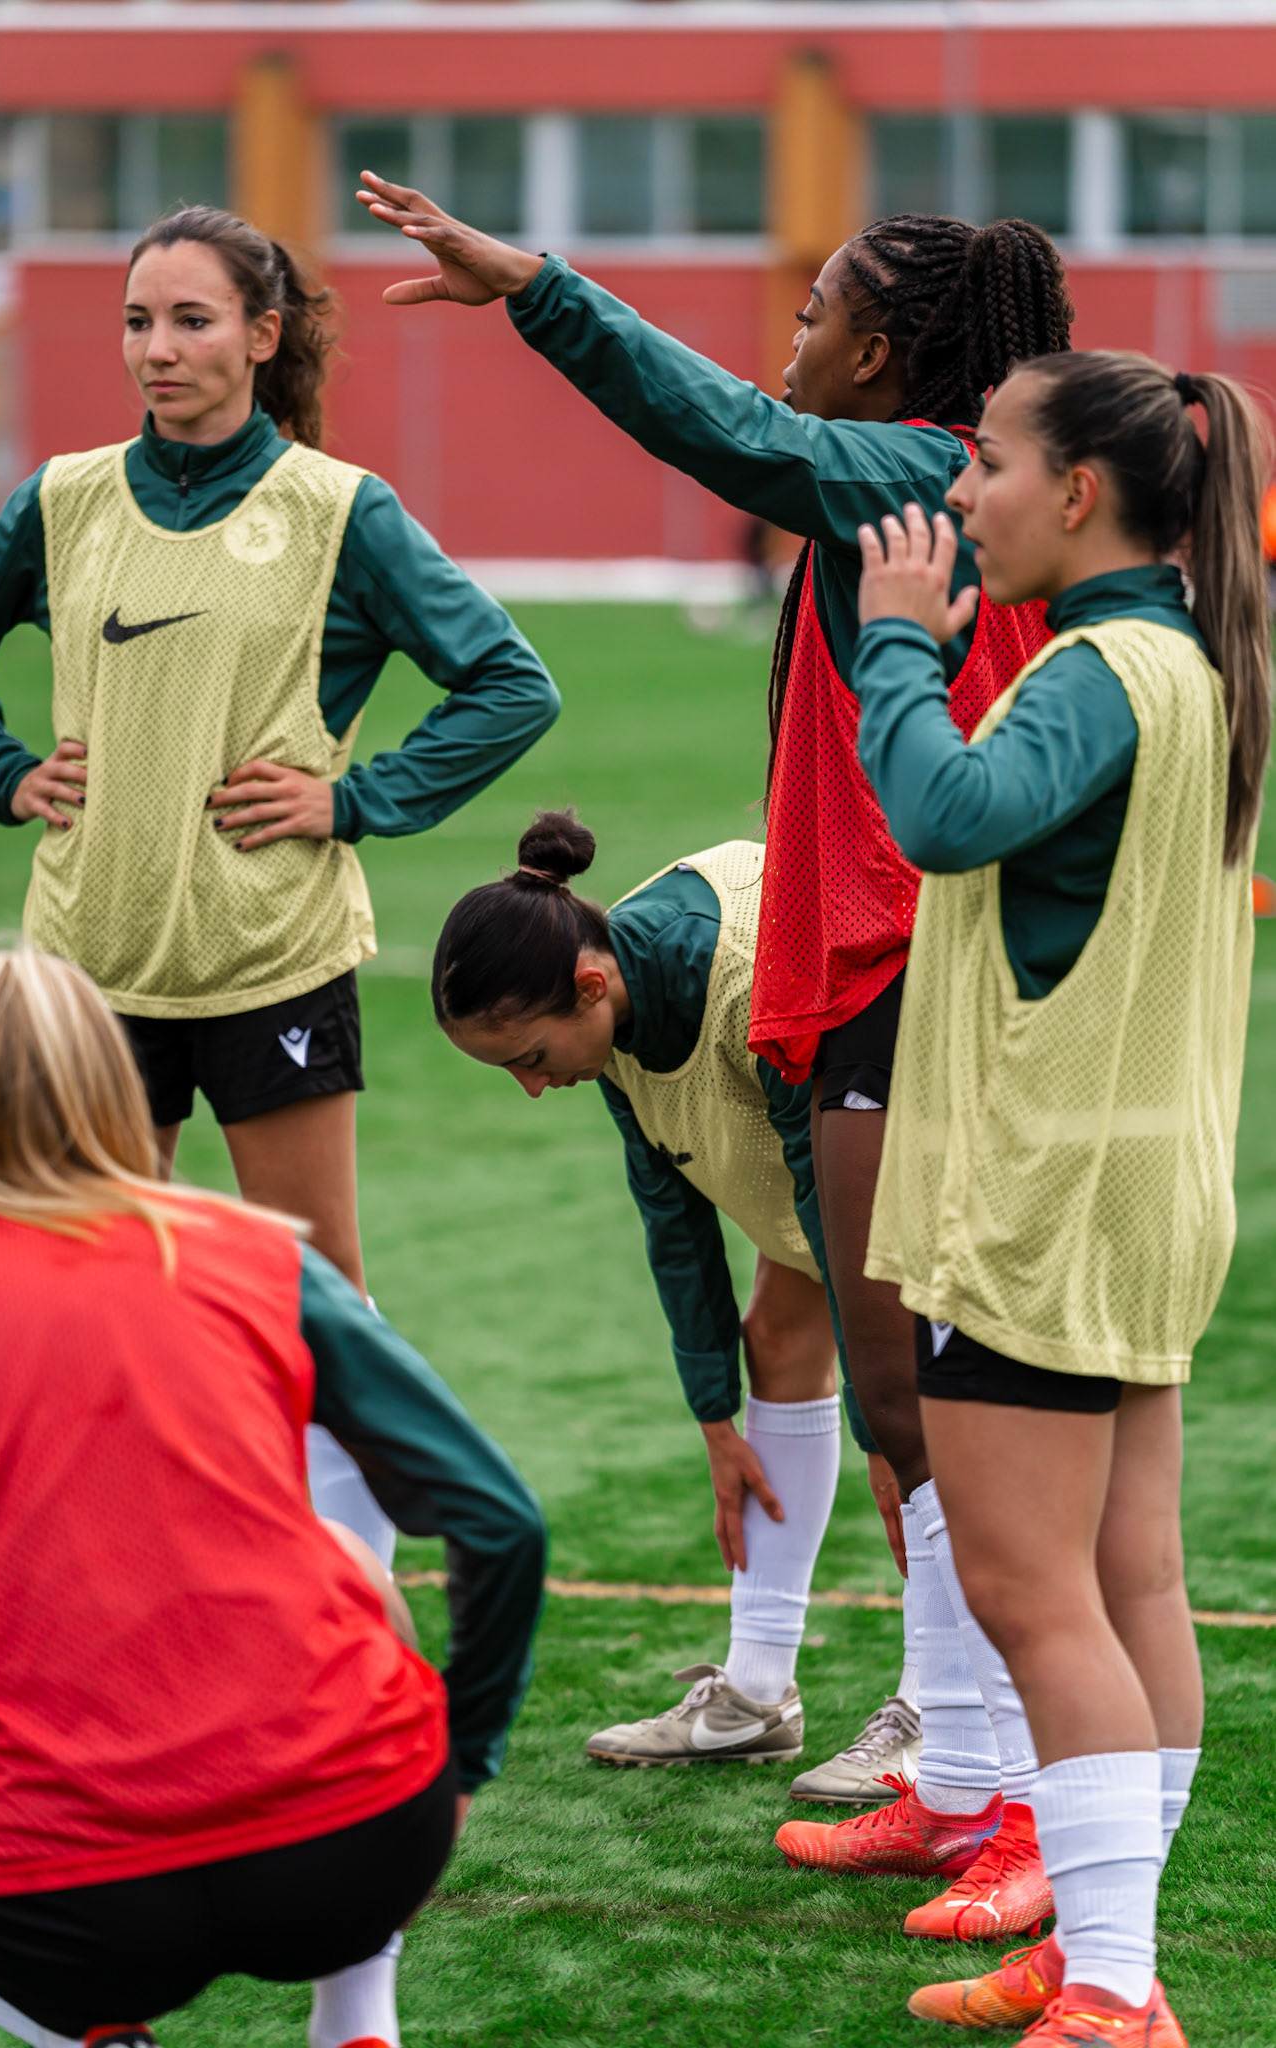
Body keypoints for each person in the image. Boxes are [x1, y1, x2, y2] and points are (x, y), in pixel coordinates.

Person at [359, 174, 1067, 1935]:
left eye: (819, 309)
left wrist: (538, 288)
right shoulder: (914, 476)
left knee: (940, 1400)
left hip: (914, 970)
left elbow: (730, 434)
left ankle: (1008, 1798)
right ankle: (954, 1783)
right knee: (893, 1388)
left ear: (883, 354)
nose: (792, 337)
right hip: (866, 965)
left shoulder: (915, 470)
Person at [845, 355, 1266, 2044]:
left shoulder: (1101, 667)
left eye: (990, 463)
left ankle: (1109, 1992)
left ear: (1079, 491)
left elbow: (947, 817)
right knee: (1132, 1578)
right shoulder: (1189, 656)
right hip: (1143, 1181)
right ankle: (1105, 1948)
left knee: (1035, 1596)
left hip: (1047, 1195)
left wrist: (893, 646)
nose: (961, 496)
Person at [0, 204, 559, 1300]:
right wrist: (2, 772)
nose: (157, 349)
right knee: (96, 1280)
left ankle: (314, 1434)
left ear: (262, 335)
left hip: (271, 957)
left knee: (316, 1287)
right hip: (90, 959)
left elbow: (510, 685)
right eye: (138, 321)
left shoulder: (339, 510)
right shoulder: (64, 499)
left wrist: (352, 802)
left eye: (192, 320)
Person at [0, 946, 547, 2048]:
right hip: (362, 1848)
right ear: (116, 1089)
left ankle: (95, 2040)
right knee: (353, 1569)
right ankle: (357, 2011)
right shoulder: (257, 1253)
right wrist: (467, 1758)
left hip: (76, 1905)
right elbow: (501, 1521)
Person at [432, 807, 922, 1797]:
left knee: (923, 1419)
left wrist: (885, 1430)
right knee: (777, 1334)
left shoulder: (743, 977)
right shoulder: (609, 1001)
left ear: (590, 986)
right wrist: (714, 1418)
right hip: (816, 1163)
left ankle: (939, 1713)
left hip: (911, 1134)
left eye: (530, 1057)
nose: (532, 1087)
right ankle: (757, 1695)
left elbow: (827, 1189)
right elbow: (672, 1213)